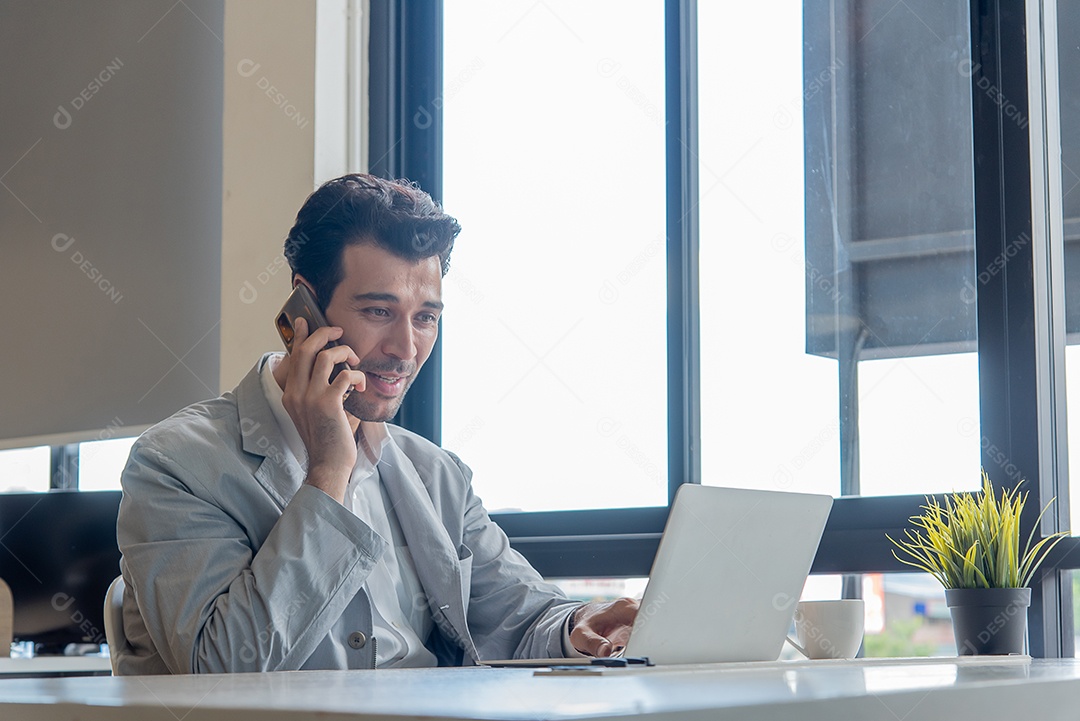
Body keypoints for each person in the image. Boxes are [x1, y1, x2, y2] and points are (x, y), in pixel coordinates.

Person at [115, 174, 639, 674]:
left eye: (426, 317)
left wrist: (575, 626)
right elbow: (224, 667)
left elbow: (520, 620)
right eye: (379, 312)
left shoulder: (436, 475)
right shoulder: (178, 463)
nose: (405, 351)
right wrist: (329, 471)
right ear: (305, 309)